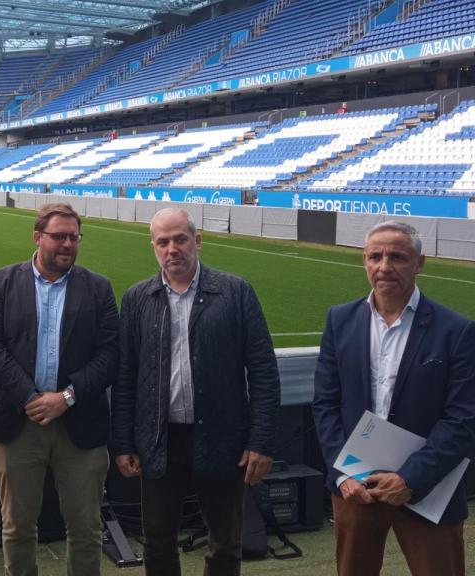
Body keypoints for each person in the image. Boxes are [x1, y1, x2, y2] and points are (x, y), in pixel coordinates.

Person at [111, 207, 280, 576]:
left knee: (225, 542)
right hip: (159, 439)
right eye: (163, 242)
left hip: (223, 438)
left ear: (197, 241)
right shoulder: (138, 298)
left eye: (180, 239)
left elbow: (263, 370)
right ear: (153, 247)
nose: (172, 249)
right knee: (158, 542)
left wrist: (261, 441)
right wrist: (123, 442)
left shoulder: (235, 292)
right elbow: (126, 376)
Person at [312, 220, 475, 576]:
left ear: (420, 263)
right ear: (365, 261)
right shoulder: (340, 320)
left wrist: (411, 479)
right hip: (356, 485)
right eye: (375, 256)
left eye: (397, 257)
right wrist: (341, 474)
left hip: (428, 486)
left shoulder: (457, 330)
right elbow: (325, 405)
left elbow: (463, 418)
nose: (384, 266)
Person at [0, 203, 119, 576]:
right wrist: (30, 398)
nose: (68, 244)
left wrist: (66, 397)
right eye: (59, 236)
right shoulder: (2, 282)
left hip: (80, 423)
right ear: (37, 237)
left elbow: (109, 355)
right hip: (18, 422)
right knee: (18, 527)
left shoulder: (98, 288)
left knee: (86, 527)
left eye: (74, 237)